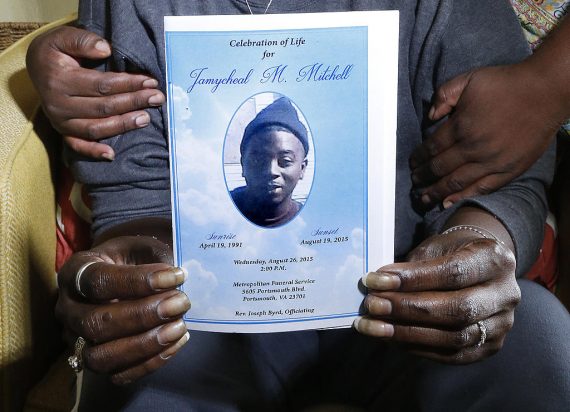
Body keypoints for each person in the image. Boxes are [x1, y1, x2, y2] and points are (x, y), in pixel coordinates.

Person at [26, 1, 570, 410]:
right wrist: (137, 271)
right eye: (260, 159)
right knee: (139, 377)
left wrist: (477, 246)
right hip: (207, 313)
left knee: (539, 342)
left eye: (287, 159)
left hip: (412, 295)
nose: (274, 172)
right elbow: (132, 188)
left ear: (304, 162)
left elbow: (503, 176)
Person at [231, 96, 308, 227]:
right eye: (258, 160)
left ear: (302, 168)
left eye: (285, 161)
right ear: (243, 164)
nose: (271, 171)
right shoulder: (219, 210)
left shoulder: (309, 221)